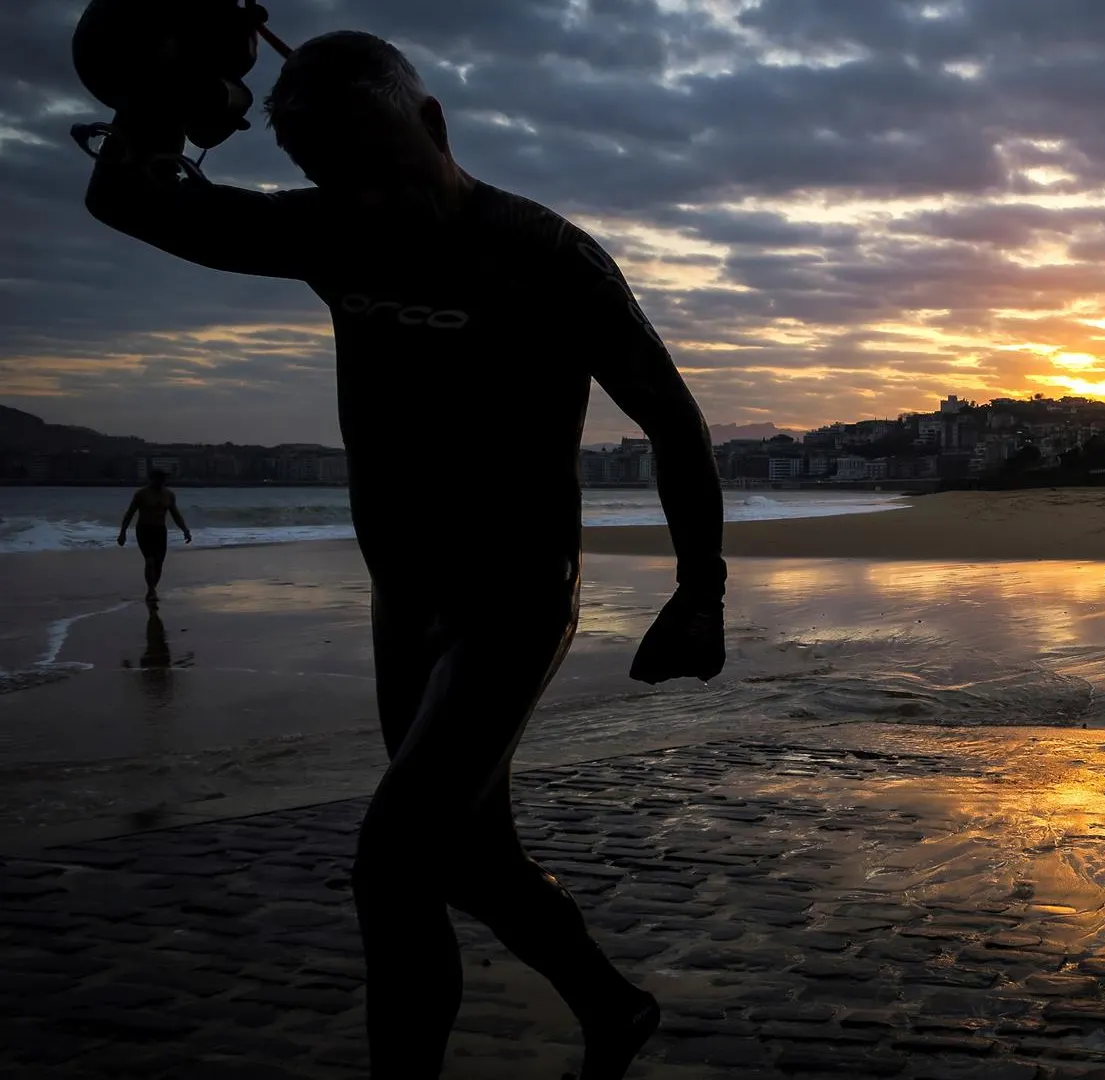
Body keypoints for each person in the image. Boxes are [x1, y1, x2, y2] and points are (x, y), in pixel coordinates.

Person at [83, 29, 727, 1080]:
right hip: (406, 600)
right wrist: (160, 99)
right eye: (339, 180)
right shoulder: (329, 230)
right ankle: (613, 1007)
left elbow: (674, 421)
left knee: (393, 863)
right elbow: (132, 201)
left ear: (432, 124)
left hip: (516, 600)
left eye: (384, 167)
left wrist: (701, 590)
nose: (372, 200)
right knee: (467, 857)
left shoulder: (544, 255)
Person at [117, 468, 191, 603]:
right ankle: (151, 590)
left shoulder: (169, 495)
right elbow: (130, 513)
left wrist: (185, 530)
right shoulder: (141, 494)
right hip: (144, 530)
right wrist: (123, 532)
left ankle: (152, 589)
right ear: (152, 478)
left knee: (159, 563)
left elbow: (175, 514)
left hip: (160, 531)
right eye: (160, 478)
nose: (163, 480)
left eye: (164, 478)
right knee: (150, 561)